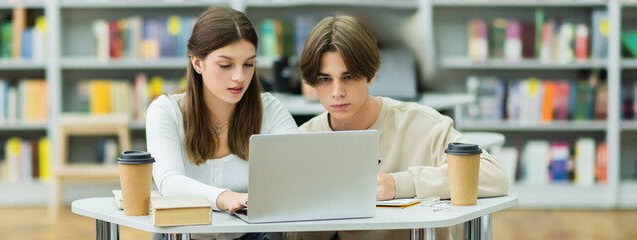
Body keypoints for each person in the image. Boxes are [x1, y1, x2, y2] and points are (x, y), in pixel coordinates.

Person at [285, 16, 509, 240]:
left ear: (371, 74)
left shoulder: (420, 123)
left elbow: (495, 175)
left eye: (349, 77)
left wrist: (400, 184)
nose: (337, 92)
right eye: (325, 79)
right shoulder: (304, 138)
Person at [146, 6, 299, 240]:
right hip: (182, 234)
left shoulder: (269, 108)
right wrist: (225, 197)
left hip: (251, 235)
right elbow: (169, 182)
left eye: (249, 64)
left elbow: (302, 169)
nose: (239, 76)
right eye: (226, 65)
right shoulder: (165, 111)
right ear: (197, 63)